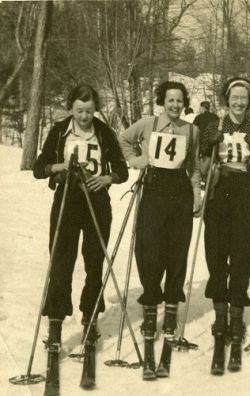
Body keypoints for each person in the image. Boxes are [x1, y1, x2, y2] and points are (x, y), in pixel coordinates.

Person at [33, 83, 129, 354]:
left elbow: (122, 169)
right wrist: (59, 167)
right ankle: (55, 325)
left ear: (95, 109)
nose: (84, 116)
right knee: (61, 262)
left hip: (96, 201)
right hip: (66, 201)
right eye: (79, 111)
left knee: (94, 261)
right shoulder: (60, 130)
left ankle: (90, 318)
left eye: (89, 111)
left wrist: (108, 178)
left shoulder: (103, 131)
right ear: (71, 108)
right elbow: (39, 168)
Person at [119, 80, 201, 379]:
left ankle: (170, 313)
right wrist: (135, 160)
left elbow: (193, 167)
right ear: (162, 101)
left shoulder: (192, 130)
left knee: (177, 253)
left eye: (179, 101)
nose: (175, 105)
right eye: (170, 100)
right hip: (153, 191)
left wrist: (197, 195)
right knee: (150, 252)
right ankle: (150, 310)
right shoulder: (148, 123)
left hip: (179, 194)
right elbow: (123, 140)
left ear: (184, 103)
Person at [200, 77, 250, 372]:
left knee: (241, 253)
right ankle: (220, 313)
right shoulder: (215, 126)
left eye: (244, 98)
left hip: (242, 188)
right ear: (227, 100)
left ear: (249, 101)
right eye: (235, 97)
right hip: (219, 187)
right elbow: (201, 163)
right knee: (216, 251)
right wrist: (207, 144)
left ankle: (237, 316)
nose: (239, 102)